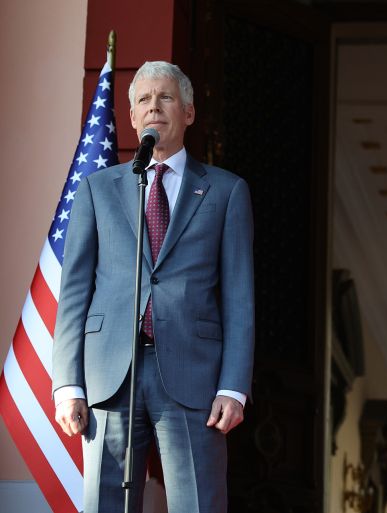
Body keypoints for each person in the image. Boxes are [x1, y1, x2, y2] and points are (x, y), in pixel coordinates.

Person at [52, 61, 255, 513]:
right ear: (131, 118)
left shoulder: (225, 191)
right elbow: (75, 293)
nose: (153, 107)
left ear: (188, 113)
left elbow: (240, 298)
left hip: (194, 376)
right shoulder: (98, 189)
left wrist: (234, 387)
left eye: (165, 98)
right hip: (109, 375)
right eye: (143, 100)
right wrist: (68, 384)